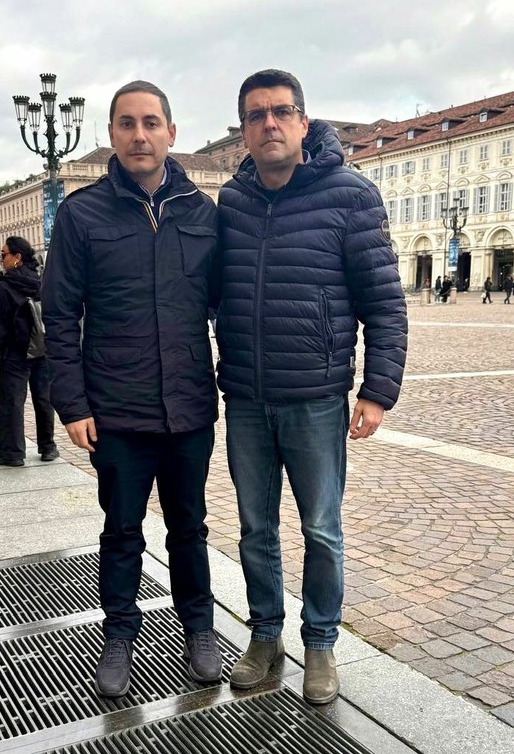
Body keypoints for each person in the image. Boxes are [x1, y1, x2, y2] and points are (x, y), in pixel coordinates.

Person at [216, 69, 407, 705]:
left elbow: (385, 303)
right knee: (254, 529)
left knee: (322, 529)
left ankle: (321, 642)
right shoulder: (232, 203)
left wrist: (377, 389)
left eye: (280, 112)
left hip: (317, 398)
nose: (268, 123)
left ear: (303, 121)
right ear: (244, 131)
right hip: (246, 397)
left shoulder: (350, 195)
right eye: (255, 115)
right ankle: (266, 636)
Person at [42, 80, 222, 698]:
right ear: (112, 134)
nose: (139, 135)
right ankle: (119, 635)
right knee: (121, 532)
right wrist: (72, 404)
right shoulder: (82, 214)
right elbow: (59, 315)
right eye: (126, 123)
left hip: (189, 407)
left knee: (189, 527)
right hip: (115, 410)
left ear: (171, 132)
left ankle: (199, 628)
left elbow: (228, 305)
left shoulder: (202, 213)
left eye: (150, 123)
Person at [0, 236, 59, 467]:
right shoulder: (40, 282)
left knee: (11, 402)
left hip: (16, 353)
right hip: (42, 349)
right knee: (44, 399)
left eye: (4, 254)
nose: (1, 259)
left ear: (17, 257)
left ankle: (11, 453)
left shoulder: (5, 288)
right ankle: (48, 447)